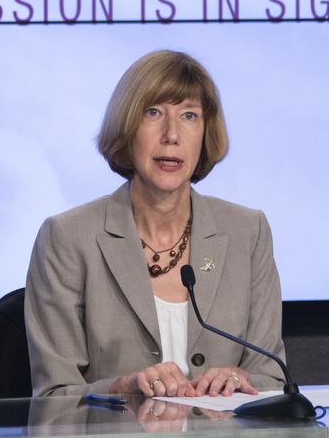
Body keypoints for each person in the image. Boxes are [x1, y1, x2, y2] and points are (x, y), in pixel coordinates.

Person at [25, 50, 286, 398]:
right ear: (127, 127)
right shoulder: (68, 238)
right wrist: (122, 388)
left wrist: (242, 380)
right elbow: (52, 397)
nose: (171, 135)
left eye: (189, 116)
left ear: (205, 132)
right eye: (153, 113)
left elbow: (272, 379)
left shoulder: (248, 232)